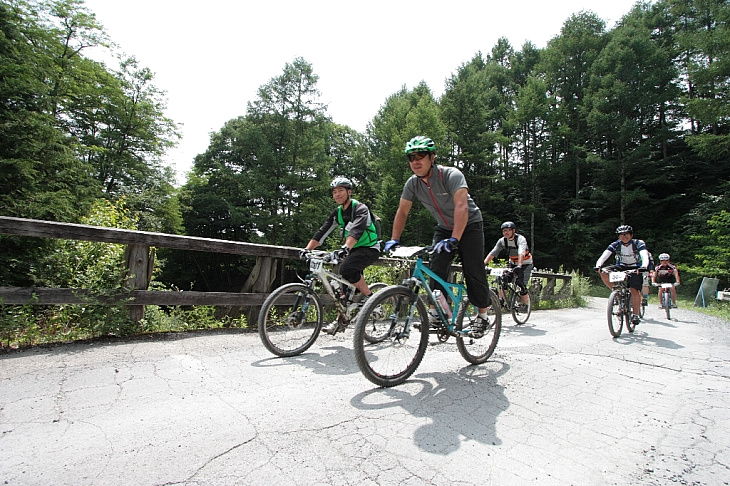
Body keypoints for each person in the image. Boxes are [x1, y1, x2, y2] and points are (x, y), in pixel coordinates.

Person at [382, 136, 493, 337]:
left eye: (421, 155)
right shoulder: (412, 184)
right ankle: (437, 313)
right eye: (411, 157)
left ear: (432, 157)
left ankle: (483, 316)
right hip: (444, 227)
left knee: (473, 269)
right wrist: (395, 239)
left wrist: (455, 239)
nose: (415, 161)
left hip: (469, 224)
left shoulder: (451, 175)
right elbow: (402, 211)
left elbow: (461, 207)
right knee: (436, 266)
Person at [300, 177, 381, 335]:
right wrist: (307, 249)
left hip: (370, 248)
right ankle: (340, 321)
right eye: (334, 192)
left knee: (346, 269)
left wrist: (345, 247)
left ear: (349, 192)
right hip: (352, 249)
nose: (337, 194)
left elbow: (357, 229)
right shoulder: (337, 213)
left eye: (341, 191)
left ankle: (372, 299)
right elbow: (322, 232)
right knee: (342, 286)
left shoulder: (360, 208)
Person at [594, 225, 650, 326]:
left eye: (626, 234)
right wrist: (598, 266)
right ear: (618, 236)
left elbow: (644, 254)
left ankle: (635, 315)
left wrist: (644, 266)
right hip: (621, 266)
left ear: (631, 235)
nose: (624, 236)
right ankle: (616, 291)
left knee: (634, 290)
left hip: (635, 267)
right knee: (602, 272)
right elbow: (605, 255)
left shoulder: (638, 243)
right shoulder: (615, 244)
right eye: (621, 235)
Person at [484, 221, 533, 311]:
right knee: (504, 279)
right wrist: (483, 263)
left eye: (508, 230)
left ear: (513, 231)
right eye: (504, 231)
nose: (505, 233)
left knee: (520, 282)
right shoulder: (502, 241)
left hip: (525, 263)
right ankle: (500, 301)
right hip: (512, 263)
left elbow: (521, 252)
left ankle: (524, 304)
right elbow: (493, 252)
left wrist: (519, 265)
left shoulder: (520, 239)